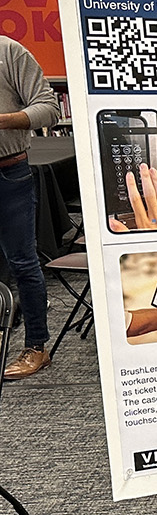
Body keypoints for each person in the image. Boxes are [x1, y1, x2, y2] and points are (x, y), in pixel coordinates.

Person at [0, 35, 61, 381]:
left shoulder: (8, 52)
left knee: (22, 262)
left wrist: (4, 119)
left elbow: (49, 109)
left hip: (8, 171)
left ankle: (37, 345)